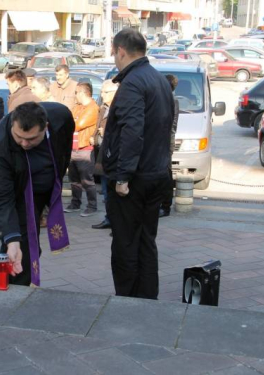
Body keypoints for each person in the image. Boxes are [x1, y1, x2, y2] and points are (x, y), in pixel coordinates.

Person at [103, 28, 174, 300]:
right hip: (156, 173)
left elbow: (133, 131)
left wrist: (122, 176)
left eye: (113, 52)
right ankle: (146, 299)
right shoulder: (158, 79)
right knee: (145, 241)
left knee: (126, 243)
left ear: (121, 51)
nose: (114, 57)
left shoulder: (133, 82)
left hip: (135, 178)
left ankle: (129, 301)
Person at [0, 102, 74, 286]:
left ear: (45, 127)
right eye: (19, 137)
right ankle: (15, 291)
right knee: (21, 244)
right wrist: (12, 239)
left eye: (31, 139)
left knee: (28, 243)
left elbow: (63, 151)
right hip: (16, 193)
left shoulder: (61, 117)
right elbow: (1, 197)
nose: (24, 143)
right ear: (13, 124)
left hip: (44, 189)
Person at [64, 82, 98, 217]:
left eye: (76, 92)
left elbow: (77, 125)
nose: (75, 95)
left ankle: (92, 206)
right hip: (73, 148)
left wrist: (74, 120)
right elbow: (69, 119)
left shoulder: (93, 108)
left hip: (84, 149)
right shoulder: (77, 107)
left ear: (83, 93)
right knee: (74, 179)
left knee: (87, 180)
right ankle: (75, 203)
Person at [91, 80, 118, 230]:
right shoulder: (104, 108)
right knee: (105, 189)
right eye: (102, 91)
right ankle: (109, 218)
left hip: (112, 155)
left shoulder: (118, 107)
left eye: (105, 92)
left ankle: (114, 221)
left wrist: (105, 131)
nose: (102, 94)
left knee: (112, 192)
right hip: (102, 152)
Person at [160, 74, 180, 218]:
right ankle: (162, 204)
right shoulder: (166, 99)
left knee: (166, 174)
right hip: (163, 141)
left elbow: (171, 125)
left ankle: (166, 205)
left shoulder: (171, 100)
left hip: (165, 142)